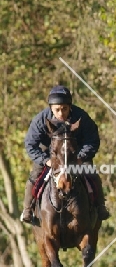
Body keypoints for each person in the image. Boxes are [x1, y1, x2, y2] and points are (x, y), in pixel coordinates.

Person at [21, 85, 110, 223]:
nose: (61, 113)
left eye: (64, 109)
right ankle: (27, 209)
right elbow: (30, 144)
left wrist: (81, 156)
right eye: (57, 109)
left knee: (90, 172)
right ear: (51, 108)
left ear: (70, 107)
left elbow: (92, 140)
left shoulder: (81, 117)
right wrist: (45, 160)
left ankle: (100, 206)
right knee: (34, 175)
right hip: (50, 154)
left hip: (76, 152)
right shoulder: (40, 120)